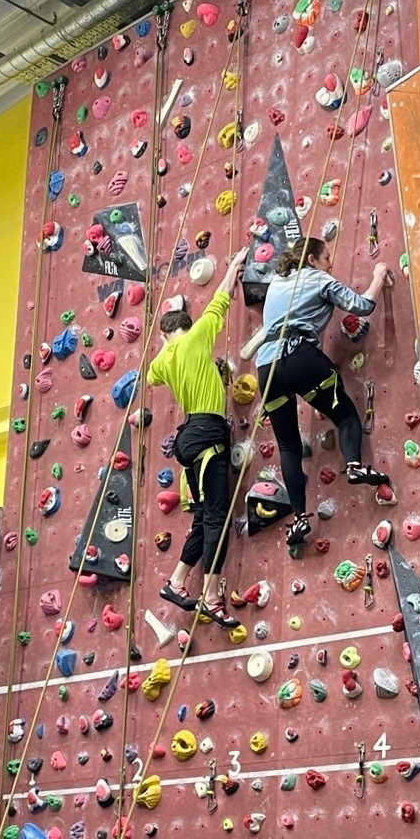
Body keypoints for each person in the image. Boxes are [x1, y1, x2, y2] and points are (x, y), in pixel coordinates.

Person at [254, 234, 392, 551]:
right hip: (301, 357)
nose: (331, 262)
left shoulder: (276, 283)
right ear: (313, 259)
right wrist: (378, 276)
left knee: (288, 446)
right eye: (327, 257)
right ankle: (354, 465)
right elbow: (363, 306)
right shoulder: (319, 278)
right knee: (344, 414)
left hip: (267, 368)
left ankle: (301, 517)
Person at [148, 247, 249, 627]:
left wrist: (164, 344)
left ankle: (176, 581)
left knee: (204, 516)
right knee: (217, 518)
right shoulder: (194, 338)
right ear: (185, 327)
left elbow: (152, 375)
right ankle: (209, 593)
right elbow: (220, 300)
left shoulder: (164, 358)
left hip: (190, 438)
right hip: (207, 432)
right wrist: (234, 265)